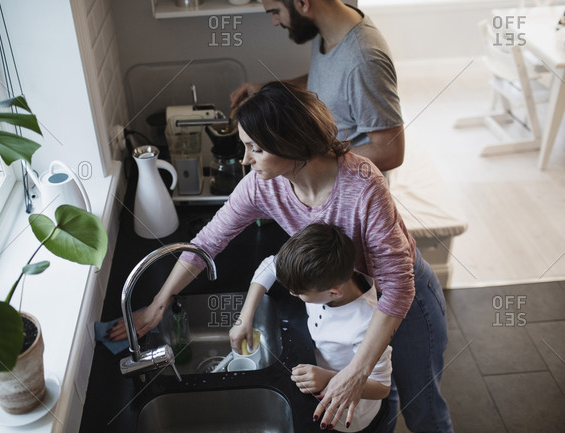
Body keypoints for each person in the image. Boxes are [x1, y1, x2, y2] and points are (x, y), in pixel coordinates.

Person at [109, 82, 453, 432]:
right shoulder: (264, 185)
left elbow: (397, 288)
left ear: (290, 142)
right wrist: (159, 303)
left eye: (254, 148)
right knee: (378, 398)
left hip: (403, 301)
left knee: (423, 408)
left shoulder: (363, 185)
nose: (245, 159)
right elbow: (208, 242)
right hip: (345, 301)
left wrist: (357, 372)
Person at [230, 0, 405, 173]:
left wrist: (305, 160)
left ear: (303, 3)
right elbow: (334, 81)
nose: (275, 22)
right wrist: (264, 89)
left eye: (275, 12)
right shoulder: (329, 30)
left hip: (347, 183)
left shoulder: (364, 60)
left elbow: (390, 152)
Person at [266, 223, 392, 432]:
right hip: (320, 380)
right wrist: (247, 312)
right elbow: (270, 264)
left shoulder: (365, 325)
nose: (292, 294)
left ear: (334, 293)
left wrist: (328, 377)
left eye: (298, 293)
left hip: (349, 416)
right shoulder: (326, 277)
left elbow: (382, 388)